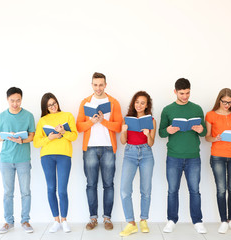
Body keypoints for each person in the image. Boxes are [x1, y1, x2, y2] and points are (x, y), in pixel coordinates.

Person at [159, 78, 207, 234]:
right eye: (182, 93)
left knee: (195, 190)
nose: (185, 96)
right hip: (174, 156)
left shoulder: (197, 109)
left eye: (187, 93)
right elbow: (161, 132)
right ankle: (171, 220)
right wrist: (169, 130)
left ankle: (198, 221)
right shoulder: (167, 110)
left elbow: (205, 132)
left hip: (193, 156)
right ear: (175, 92)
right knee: (173, 190)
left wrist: (201, 130)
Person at [76, 72, 123, 230]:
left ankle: (107, 218)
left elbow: (118, 127)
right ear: (92, 85)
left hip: (109, 148)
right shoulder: (85, 102)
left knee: (108, 184)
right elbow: (78, 127)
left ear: (105, 85)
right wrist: (91, 121)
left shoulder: (113, 102)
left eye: (101, 85)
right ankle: (93, 218)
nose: (98, 88)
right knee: (91, 184)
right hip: (89, 148)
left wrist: (103, 121)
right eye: (95, 85)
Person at [33, 93, 78, 233]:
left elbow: (74, 136)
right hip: (47, 156)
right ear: (45, 108)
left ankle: (64, 220)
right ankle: (56, 220)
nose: (53, 107)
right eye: (49, 105)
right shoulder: (42, 120)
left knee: (62, 190)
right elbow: (36, 143)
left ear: (57, 102)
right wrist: (50, 138)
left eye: (54, 103)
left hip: (64, 155)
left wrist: (63, 132)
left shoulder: (67, 116)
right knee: (51, 188)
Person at [205, 88, 231, 234]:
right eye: (224, 102)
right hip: (218, 156)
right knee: (221, 189)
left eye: (230, 102)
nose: (227, 105)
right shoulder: (210, 115)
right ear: (219, 100)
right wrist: (215, 138)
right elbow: (207, 137)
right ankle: (223, 220)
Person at [0, 87, 35, 234]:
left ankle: (25, 221)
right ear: (7, 100)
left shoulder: (28, 115)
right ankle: (8, 222)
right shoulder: (1, 116)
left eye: (18, 100)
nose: (15, 103)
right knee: (8, 193)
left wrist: (21, 141)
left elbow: (32, 136)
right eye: (12, 100)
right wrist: (7, 136)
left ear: (21, 99)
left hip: (23, 159)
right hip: (5, 159)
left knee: (25, 192)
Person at [119, 91, 156, 237]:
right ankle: (131, 223)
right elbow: (123, 141)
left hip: (146, 153)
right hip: (130, 153)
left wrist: (147, 134)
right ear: (133, 103)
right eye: (137, 102)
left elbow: (152, 143)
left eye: (142, 102)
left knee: (145, 190)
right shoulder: (126, 119)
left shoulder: (151, 120)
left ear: (147, 105)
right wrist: (123, 131)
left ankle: (143, 220)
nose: (139, 105)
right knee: (124, 190)